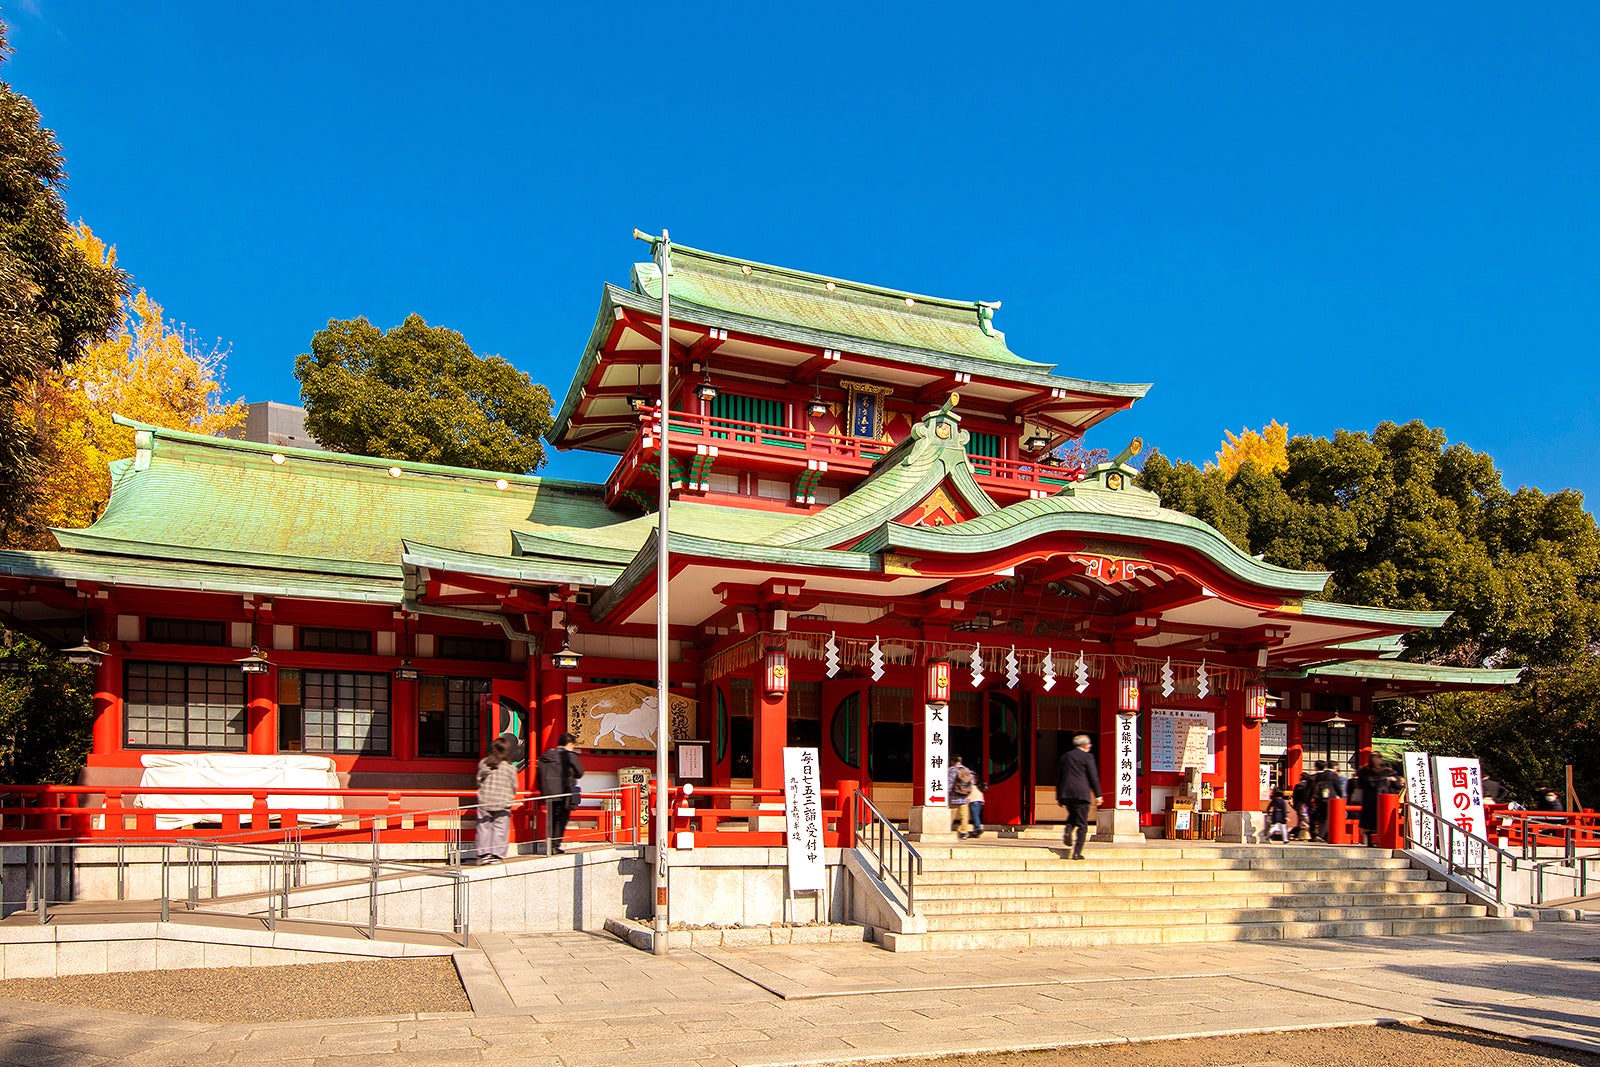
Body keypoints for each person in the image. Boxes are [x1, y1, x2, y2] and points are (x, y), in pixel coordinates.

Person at [535, 732, 585, 854]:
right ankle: (555, 845)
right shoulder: (570, 756)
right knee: (561, 819)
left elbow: (539, 773)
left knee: (551, 819)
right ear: (569, 744)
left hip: (549, 793)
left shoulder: (546, 755)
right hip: (564, 792)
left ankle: (550, 844)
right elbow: (580, 772)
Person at [1055, 734, 1101, 860]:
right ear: (1085, 745)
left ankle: (1068, 831)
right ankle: (1077, 852)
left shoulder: (1065, 757)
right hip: (1081, 794)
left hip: (1067, 794)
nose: (1090, 746)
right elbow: (1093, 777)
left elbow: (1059, 777)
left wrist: (1059, 796)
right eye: (1089, 744)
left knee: (1073, 816)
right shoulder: (1088, 757)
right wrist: (1098, 795)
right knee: (1082, 824)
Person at [475, 736, 518, 864]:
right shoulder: (510, 767)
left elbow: (478, 780)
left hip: (485, 800)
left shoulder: (485, 763)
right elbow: (514, 785)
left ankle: (483, 854)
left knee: (484, 828)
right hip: (503, 801)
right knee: (500, 828)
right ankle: (497, 855)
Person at [1310, 760, 1343, 842]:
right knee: (1328, 818)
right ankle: (1322, 835)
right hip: (1331, 798)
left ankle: (1322, 835)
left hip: (1320, 797)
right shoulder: (1334, 775)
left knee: (1322, 817)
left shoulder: (1321, 775)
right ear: (1335, 767)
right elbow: (1338, 787)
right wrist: (1340, 796)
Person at [949, 755, 976, 837]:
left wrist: (947, 794)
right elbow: (972, 783)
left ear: (952, 761)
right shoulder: (967, 770)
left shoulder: (951, 770)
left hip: (954, 797)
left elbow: (949, 783)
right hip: (964, 797)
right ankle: (964, 832)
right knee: (964, 816)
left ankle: (946, 829)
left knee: (950, 815)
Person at [1290, 771, 1314, 841]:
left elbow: (1295, 796)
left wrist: (1295, 805)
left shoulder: (1298, 786)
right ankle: (1304, 835)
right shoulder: (1309, 786)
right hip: (1307, 805)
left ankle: (1298, 833)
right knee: (1306, 820)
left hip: (1299, 804)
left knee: (1301, 819)